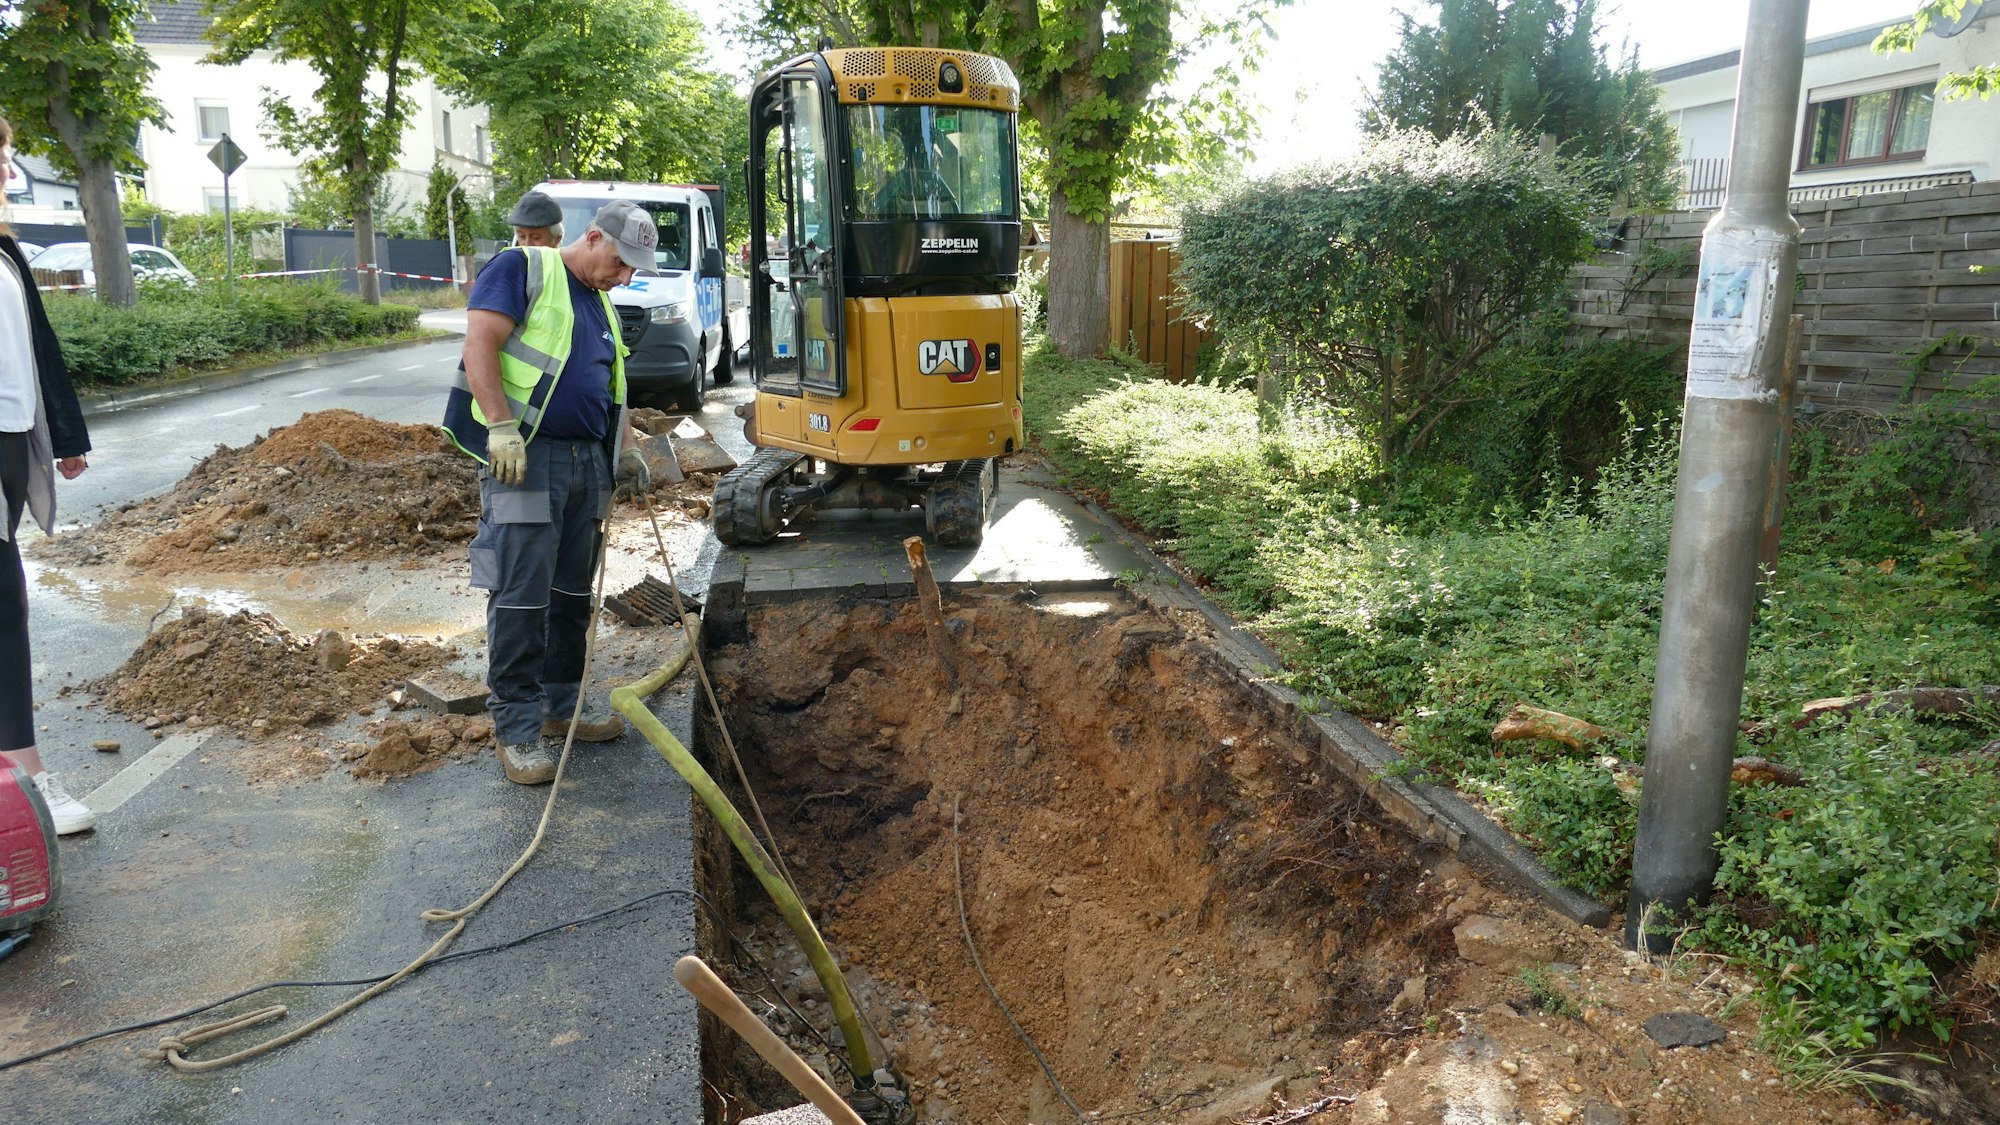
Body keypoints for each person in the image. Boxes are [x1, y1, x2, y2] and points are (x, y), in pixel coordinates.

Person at [441, 200, 655, 785]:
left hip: (588, 463)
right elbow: (480, 344)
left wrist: (627, 447)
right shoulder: (523, 268)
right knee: (520, 593)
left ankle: (562, 706)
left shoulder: (599, 301)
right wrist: (500, 426)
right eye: (620, 262)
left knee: (570, 592)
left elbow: (612, 384)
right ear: (593, 237)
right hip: (527, 460)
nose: (625, 277)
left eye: (633, 269)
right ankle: (516, 728)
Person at [0, 116, 95, 833]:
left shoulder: (5, 250)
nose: (8, 171)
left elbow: (36, 341)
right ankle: (26, 775)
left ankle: (21, 772)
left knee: (7, 602)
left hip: (11, 438)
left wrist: (65, 432)